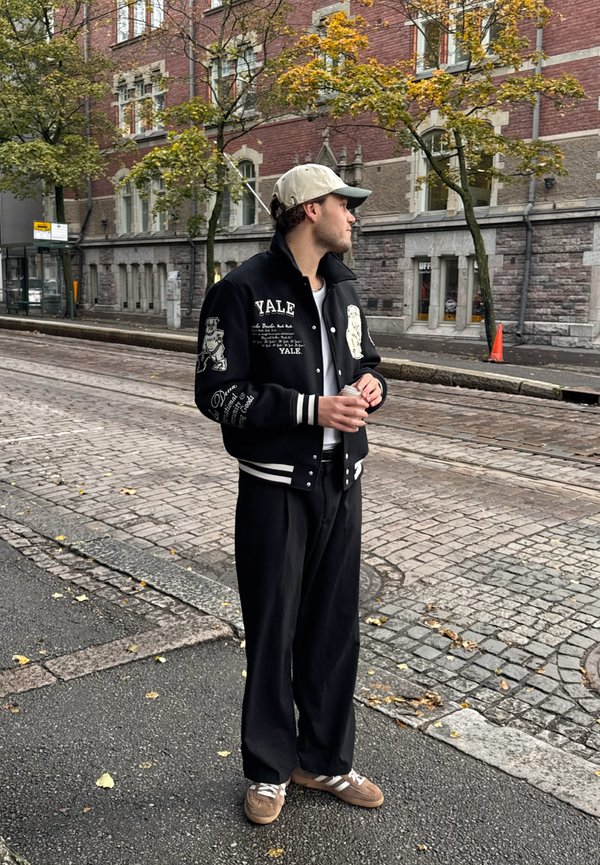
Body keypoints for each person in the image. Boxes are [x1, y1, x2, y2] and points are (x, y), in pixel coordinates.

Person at [195, 163, 387, 825]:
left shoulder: (346, 288)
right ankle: (269, 769)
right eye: (345, 203)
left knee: (335, 631)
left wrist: (369, 391)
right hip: (275, 492)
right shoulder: (240, 291)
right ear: (310, 209)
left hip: (344, 483)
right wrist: (312, 410)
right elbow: (217, 394)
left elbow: (366, 364)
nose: (353, 216)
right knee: (273, 631)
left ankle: (325, 759)